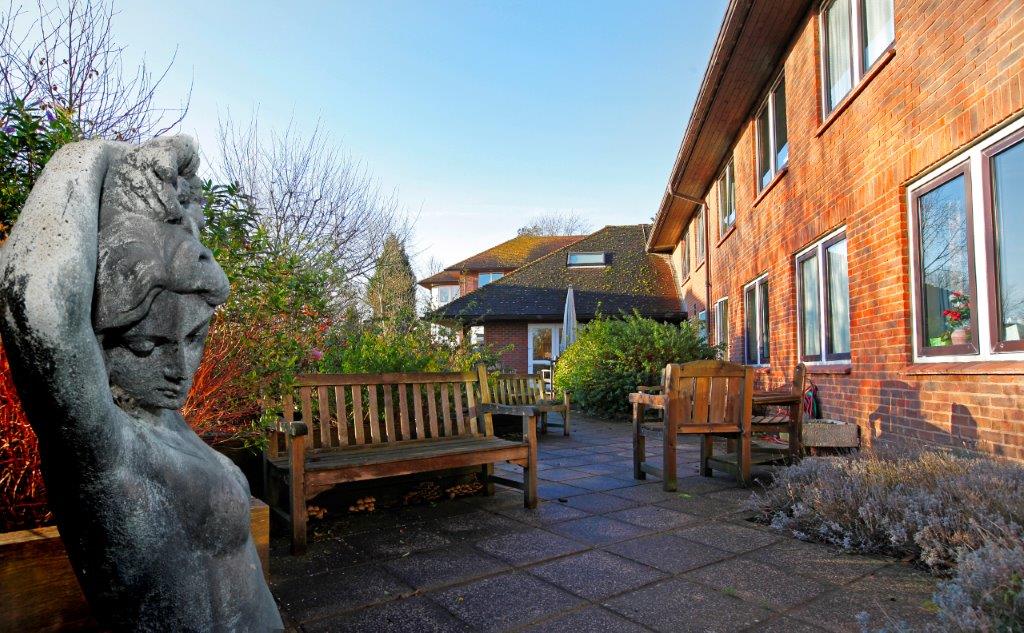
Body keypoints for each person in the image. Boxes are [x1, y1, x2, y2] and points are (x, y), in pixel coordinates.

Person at [0, 137, 282, 631]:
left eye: (193, 338)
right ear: (100, 341)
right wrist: (92, 153)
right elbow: (39, 308)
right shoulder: (104, 448)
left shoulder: (165, 421)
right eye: (146, 346)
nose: (179, 368)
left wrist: (168, 205)